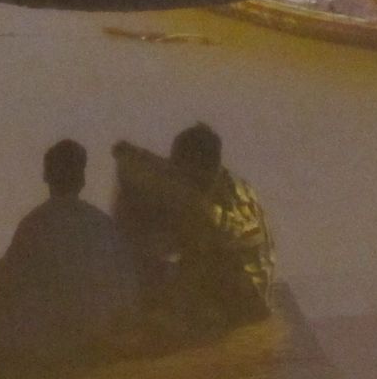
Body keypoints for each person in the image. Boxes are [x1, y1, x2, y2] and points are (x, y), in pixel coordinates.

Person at [0, 139, 139, 365]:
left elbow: (6, 280)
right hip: (102, 331)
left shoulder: (36, 224)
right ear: (82, 179)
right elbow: (126, 284)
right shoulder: (102, 224)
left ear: (46, 176)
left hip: (55, 339)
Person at [112, 121, 274, 332]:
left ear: (201, 169)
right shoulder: (209, 185)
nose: (180, 179)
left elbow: (227, 232)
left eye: (183, 173)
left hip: (244, 302)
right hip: (222, 288)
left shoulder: (230, 198)